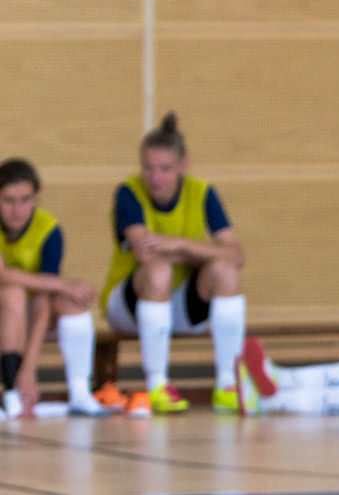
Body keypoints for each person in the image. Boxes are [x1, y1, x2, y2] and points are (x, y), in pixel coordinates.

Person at [100, 112, 247, 416]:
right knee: (159, 271)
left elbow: (236, 255)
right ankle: (157, 384)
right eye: (148, 168)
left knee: (225, 272)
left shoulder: (203, 193)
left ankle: (228, 385)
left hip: (180, 305)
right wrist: (204, 252)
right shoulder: (129, 193)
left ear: (183, 165)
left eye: (165, 169)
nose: (155, 178)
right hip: (130, 306)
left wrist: (179, 244)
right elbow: (148, 255)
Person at [0, 158, 110, 418]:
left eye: (25, 199)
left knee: (71, 301)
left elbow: (43, 300)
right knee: (12, 293)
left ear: (36, 198)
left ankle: (80, 391)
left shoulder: (49, 230)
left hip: (22, 315)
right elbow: (2, 275)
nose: (18, 210)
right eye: (8, 200)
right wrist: (62, 283)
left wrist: (29, 368)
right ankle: (11, 392)